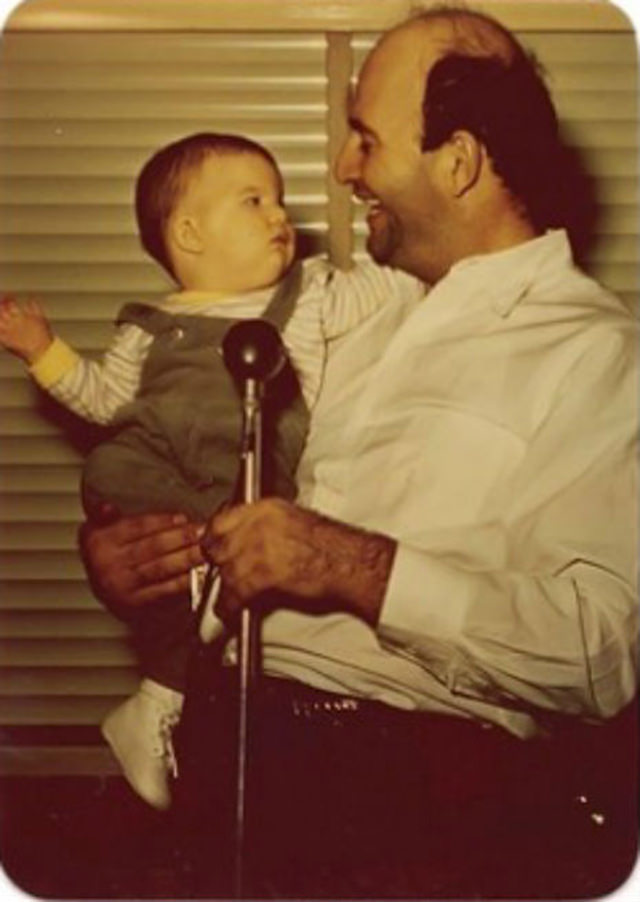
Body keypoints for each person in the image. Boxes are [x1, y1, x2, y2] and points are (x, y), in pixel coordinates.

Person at [79, 6, 638, 898]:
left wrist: (353, 566)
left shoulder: (598, 352)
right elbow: (209, 485)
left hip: (412, 793)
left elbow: (602, 655)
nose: (341, 172)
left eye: (365, 141)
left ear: (457, 163)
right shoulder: (340, 310)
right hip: (218, 747)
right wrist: (139, 558)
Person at [0, 131, 422, 811]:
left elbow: (395, 279)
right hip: (148, 470)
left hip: (242, 479)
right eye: (254, 201)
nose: (280, 216)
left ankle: (155, 704)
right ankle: (159, 702)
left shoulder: (309, 296)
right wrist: (42, 350)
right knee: (183, 577)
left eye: (279, 200)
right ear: (189, 234)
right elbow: (104, 400)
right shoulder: (148, 326)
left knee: (216, 597)